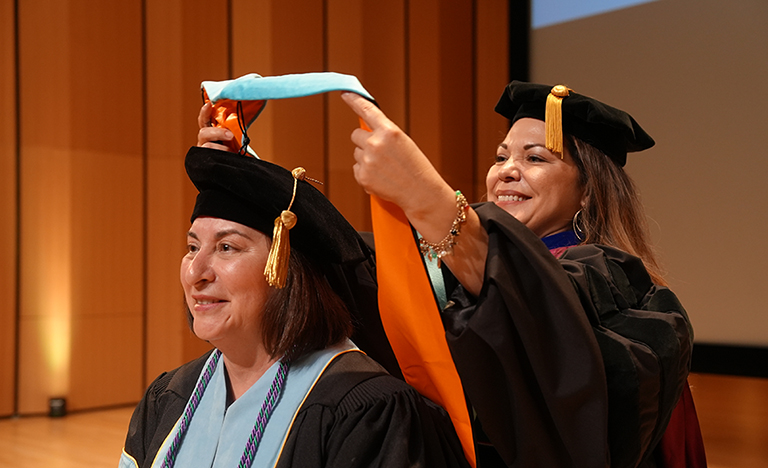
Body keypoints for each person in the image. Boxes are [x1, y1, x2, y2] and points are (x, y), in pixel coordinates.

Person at [340, 82, 704, 468]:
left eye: (536, 159)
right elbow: (352, 259)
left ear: (587, 191)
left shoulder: (613, 281)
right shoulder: (446, 260)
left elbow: (538, 308)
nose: (507, 171)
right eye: (501, 157)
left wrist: (422, 194)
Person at [120, 143, 470, 467]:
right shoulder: (168, 397)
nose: (196, 272)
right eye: (193, 247)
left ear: (287, 268)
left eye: (227, 248)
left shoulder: (365, 409)